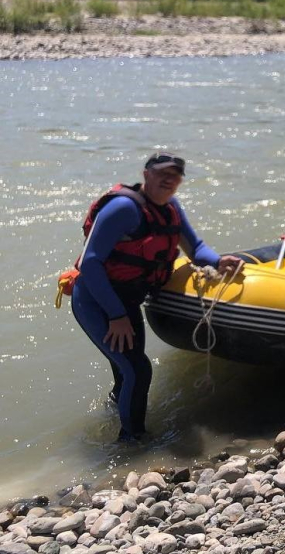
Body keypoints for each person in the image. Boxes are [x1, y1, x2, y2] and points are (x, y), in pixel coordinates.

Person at [71, 153, 243, 441]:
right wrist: (116, 315)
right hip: (96, 301)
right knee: (137, 369)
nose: (169, 180)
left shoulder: (171, 207)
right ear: (146, 174)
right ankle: (131, 440)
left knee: (126, 367)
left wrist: (217, 260)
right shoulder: (123, 208)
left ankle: (116, 411)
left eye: (175, 176)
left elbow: (195, 247)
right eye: (162, 173)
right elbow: (90, 263)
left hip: (126, 301)